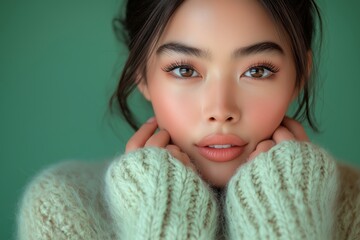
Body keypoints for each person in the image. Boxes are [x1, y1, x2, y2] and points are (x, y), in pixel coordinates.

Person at [17, 0, 360, 239]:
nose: (220, 109)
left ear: (300, 76)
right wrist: (164, 210)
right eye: (185, 69)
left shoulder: (354, 205)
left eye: (257, 70)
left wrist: (286, 218)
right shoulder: (64, 206)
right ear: (142, 75)